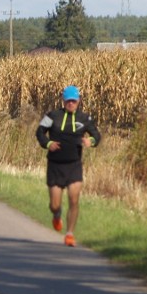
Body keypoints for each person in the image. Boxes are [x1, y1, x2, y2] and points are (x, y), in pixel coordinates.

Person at [35, 85, 101, 247]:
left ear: (78, 101)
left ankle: (69, 234)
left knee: (73, 199)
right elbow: (40, 132)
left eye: (74, 101)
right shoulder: (52, 116)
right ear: (63, 101)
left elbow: (97, 135)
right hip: (55, 165)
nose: (71, 104)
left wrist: (90, 141)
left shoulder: (84, 118)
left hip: (74, 165)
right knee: (55, 205)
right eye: (68, 101)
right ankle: (57, 215)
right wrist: (48, 143)